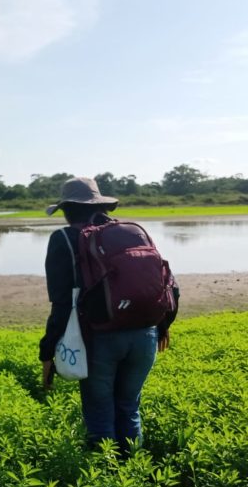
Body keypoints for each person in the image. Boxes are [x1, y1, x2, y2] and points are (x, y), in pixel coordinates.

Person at [39, 177, 178, 455]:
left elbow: (62, 303)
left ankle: (105, 477)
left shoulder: (64, 239)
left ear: (66, 209)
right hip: (145, 334)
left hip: (99, 336)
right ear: (101, 205)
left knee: (100, 409)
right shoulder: (132, 233)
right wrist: (162, 326)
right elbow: (169, 285)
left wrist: (47, 352)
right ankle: (133, 472)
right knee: (129, 406)